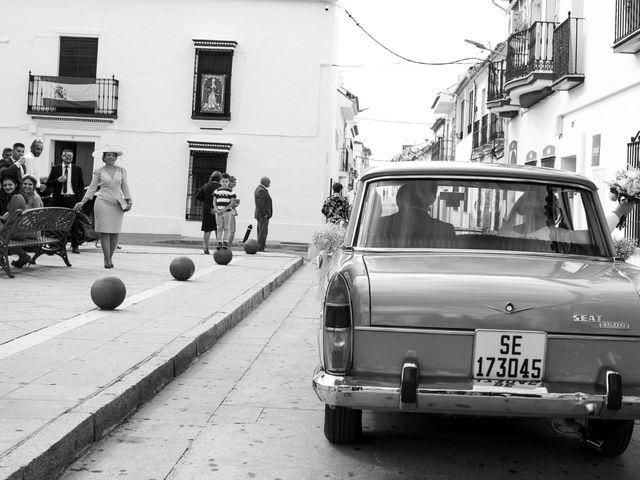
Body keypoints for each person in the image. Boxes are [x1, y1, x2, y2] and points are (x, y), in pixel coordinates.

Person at [73, 146, 132, 269]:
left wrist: (129, 200)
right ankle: (107, 259)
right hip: (103, 202)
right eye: (108, 155)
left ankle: (111, 257)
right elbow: (92, 188)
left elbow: (125, 187)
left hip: (117, 203)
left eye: (113, 155)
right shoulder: (99, 171)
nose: (111, 157)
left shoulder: (121, 170)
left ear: (116, 158)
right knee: (105, 232)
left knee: (115, 232)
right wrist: (82, 202)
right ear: (104, 158)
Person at [500, 188, 635, 240]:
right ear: (554, 212)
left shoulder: (505, 233)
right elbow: (597, 234)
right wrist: (619, 212)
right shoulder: (556, 236)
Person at [375, 181, 455, 247]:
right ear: (432, 200)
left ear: (398, 200)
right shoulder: (446, 229)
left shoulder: (378, 224)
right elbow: (454, 261)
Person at [46, 149, 85, 254]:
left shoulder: (77, 169)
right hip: (59, 199)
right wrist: (57, 180)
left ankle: (75, 246)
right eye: (66, 156)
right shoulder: (55, 169)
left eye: (71, 156)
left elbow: (81, 186)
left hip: (72, 199)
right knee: (57, 223)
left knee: (74, 223)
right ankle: (57, 244)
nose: (68, 158)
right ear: (62, 156)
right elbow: (49, 183)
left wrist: (79, 200)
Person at [0, 173, 32, 268]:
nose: (7, 187)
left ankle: (1, 259)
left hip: (18, 231)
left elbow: (9, 221)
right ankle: (24, 257)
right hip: (20, 229)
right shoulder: (18, 196)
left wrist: (2, 220)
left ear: (16, 185)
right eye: (5, 185)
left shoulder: (16, 197)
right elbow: (11, 216)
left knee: (3, 238)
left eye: (10, 184)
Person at [195, 170, 221, 254]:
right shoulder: (220, 187)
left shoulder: (205, 186)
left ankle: (205, 247)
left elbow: (198, 197)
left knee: (207, 230)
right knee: (218, 229)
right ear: (219, 179)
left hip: (207, 210)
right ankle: (219, 247)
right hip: (217, 210)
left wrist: (205, 202)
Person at [213, 173, 237, 250]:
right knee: (219, 227)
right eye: (223, 181)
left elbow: (232, 202)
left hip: (227, 212)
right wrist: (217, 210)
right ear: (220, 181)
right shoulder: (216, 191)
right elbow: (214, 201)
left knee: (226, 227)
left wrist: (224, 210)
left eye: (226, 181)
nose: (224, 183)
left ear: (229, 182)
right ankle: (219, 242)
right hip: (219, 212)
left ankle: (225, 242)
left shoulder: (231, 192)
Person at [254, 176, 272, 252]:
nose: (270, 183)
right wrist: (265, 214)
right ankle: (260, 247)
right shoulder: (261, 190)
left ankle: (260, 246)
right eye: (269, 182)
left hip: (260, 214)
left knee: (261, 231)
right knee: (262, 232)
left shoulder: (260, 189)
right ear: (265, 182)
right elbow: (260, 203)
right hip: (262, 215)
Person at [228, 175, 240, 244]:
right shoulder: (230, 191)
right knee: (232, 230)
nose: (235, 184)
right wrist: (237, 203)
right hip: (230, 211)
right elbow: (232, 204)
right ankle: (228, 247)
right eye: (233, 182)